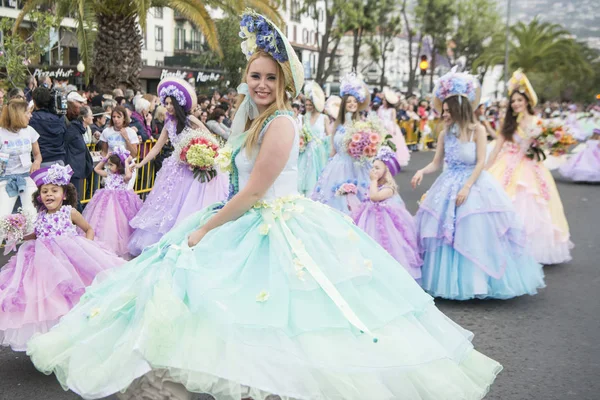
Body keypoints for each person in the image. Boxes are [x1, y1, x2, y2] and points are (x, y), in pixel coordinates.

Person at [26, 12, 501, 399]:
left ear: (285, 81)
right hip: (248, 219)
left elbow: (254, 192)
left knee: (284, 317)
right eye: (254, 75)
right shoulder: (255, 121)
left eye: (270, 77)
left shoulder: (281, 125)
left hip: (275, 223)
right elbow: (233, 168)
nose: (260, 83)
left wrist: (206, 228)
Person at [412, 68, 545, 300]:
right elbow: (436, 162)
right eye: (442, 111)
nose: (443, 115)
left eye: (446, 111)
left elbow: (481, 161)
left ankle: (477, 284)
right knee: (445, 234)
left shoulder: (479, 130)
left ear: (457, 110)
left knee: (474, 231)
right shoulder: (445, 134)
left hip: (474, 183)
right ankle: (449, 283)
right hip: (447, 183)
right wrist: (422, 171)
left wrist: (467, 187)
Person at [0, 164, 125, 351]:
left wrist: (88, 247)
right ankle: (53, 337)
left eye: (54, 190)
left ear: (64, 194)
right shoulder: (40, 216)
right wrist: (18, 233)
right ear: (39, 196)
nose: (49, 194)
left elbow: (88, 229)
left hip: (69, 258)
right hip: (43, 263)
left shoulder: (70, 212)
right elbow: (37, 234)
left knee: (73, 294)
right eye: (44, 191)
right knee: (49, 298)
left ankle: (78, 332)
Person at [127, 77, 229, 256]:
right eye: (165, 103)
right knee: (168, 204)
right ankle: (166, 241)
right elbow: (157, 148)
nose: (167, 106)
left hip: (192, 170)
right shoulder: (168, 125)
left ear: (178, 103)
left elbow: (212, 141)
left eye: (170, 103)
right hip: (174, 169)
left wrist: (200, 154)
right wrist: (140, 163)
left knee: (190, 205)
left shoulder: (191, 120)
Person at [486, 70, 573, 265]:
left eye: (519, 100)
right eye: (513, 101)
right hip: (507, 164)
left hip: (531, 167)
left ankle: (531, 250)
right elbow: (495, 150)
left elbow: (545, 144)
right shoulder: (507, 123)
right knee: (507, 202)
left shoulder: (538, 122)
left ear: (526, 101)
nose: (516, 104)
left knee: (534, 205)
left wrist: (550, 144)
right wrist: (483, 171)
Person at [353, 148, 422, 280]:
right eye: (372, 167)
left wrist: (373, 181)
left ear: (387, 171)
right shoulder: (375, 184)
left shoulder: (389, 188)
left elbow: (374, 196)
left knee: (388, 244)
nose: (373, 171)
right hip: (369, 218)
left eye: (377, 168)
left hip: (385, 222)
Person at [311, 73, 372, 214]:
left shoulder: (361, 125)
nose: (352, 104)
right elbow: (333, 150)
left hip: (356, 167)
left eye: (355, 101)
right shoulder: (337, 125)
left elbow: (365, 149)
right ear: (344, 104)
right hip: (337, 166)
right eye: (349, 101)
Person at [82, 148, 143, 259]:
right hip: (105, 202)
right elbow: (96, 169)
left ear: (118, 165)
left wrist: (125, 161)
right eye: (108, 165)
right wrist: (105, 158)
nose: (109, 167)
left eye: (111, 165)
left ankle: (118, 247)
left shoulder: (123, 177)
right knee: (104, 221)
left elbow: (129, 176)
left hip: (119, 203)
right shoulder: (108, 174)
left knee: (119, 224)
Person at [0, 99, 41, 217]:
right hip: (5, 179)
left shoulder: (30, 131)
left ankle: (30, 235)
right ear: (18, 115)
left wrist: (36, 162)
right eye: (27, 112)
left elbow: (37, 154)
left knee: (32, 214)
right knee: (3, 215)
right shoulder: (1, 133)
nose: (31, 115)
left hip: (26, 176)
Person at [298, 81, 328, 196]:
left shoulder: (323, 118)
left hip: (319, 153)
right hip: (305, 152)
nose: (309, 107)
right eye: (307, 105)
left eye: (311, 105)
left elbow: (328, 135)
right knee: (304, 178)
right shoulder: (304, 118)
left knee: (317, 178)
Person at [64, 106, 94, 210]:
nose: (93, 117)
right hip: (72, 169)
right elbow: (64, 145)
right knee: (74, 197)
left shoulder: (79, 130)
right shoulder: (73, 130)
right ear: (84, 118)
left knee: (75, 196)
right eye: (91, 115)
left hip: (77, 168)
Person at [29, 87, 67, 168]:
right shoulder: (60, 118)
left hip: (41, 161)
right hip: (60, 161)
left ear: (34, 101)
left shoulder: (32, 118)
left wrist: (29, 112)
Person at [378, 88, 410, 166]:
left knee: (392, 144)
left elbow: (393, 120)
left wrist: (394, 129)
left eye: (385, 100)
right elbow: (378, 117)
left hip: (390, 127)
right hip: (381, 126)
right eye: (383, 100)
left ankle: (392, 160)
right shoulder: (380, 108)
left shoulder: (392, 110)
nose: (383, 102)